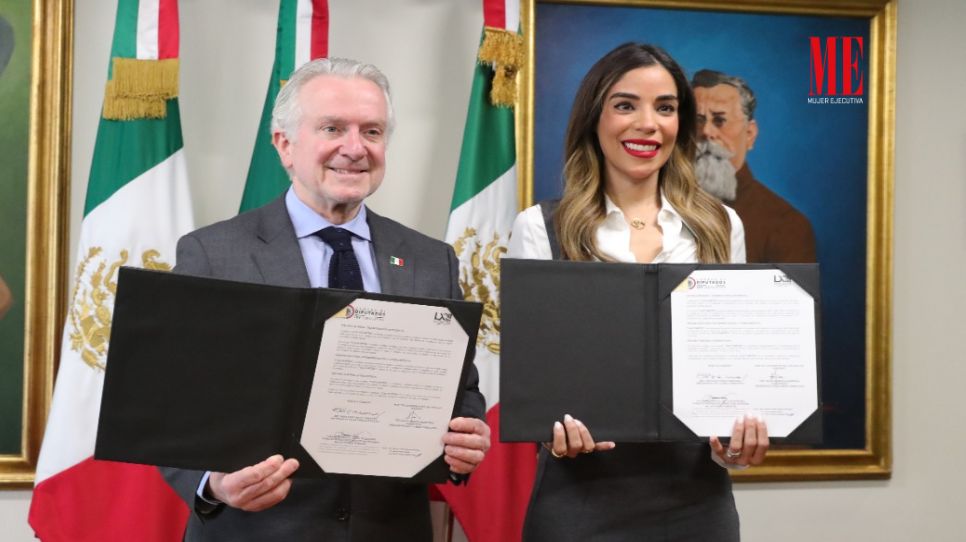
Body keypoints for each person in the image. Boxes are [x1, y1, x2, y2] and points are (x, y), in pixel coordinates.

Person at [160, 58, 491, 541]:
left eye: (372, 131)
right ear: (285, 144)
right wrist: (213, 484)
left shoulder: (430, 259)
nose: (355, 148)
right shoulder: (214, 254)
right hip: (256, 530)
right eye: (333, 128)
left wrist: (467, 435)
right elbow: (168, 400)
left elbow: (462, 389)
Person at [508, 43, 768, 540]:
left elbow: (730, 373)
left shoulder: (721, 225)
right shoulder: (540, 227)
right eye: (626, 105)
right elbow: (534, 381)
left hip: (698, 505)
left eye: (665, 108)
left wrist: (735, 445)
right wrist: (551, 432)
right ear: (594, 117)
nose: (648, 124)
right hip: (578, 502)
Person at [692, 69, 817, 264]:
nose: (706, 131)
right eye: (697, 121)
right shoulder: (658, 206)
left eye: (720, 120)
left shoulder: (786, 225)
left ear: (749, 134)